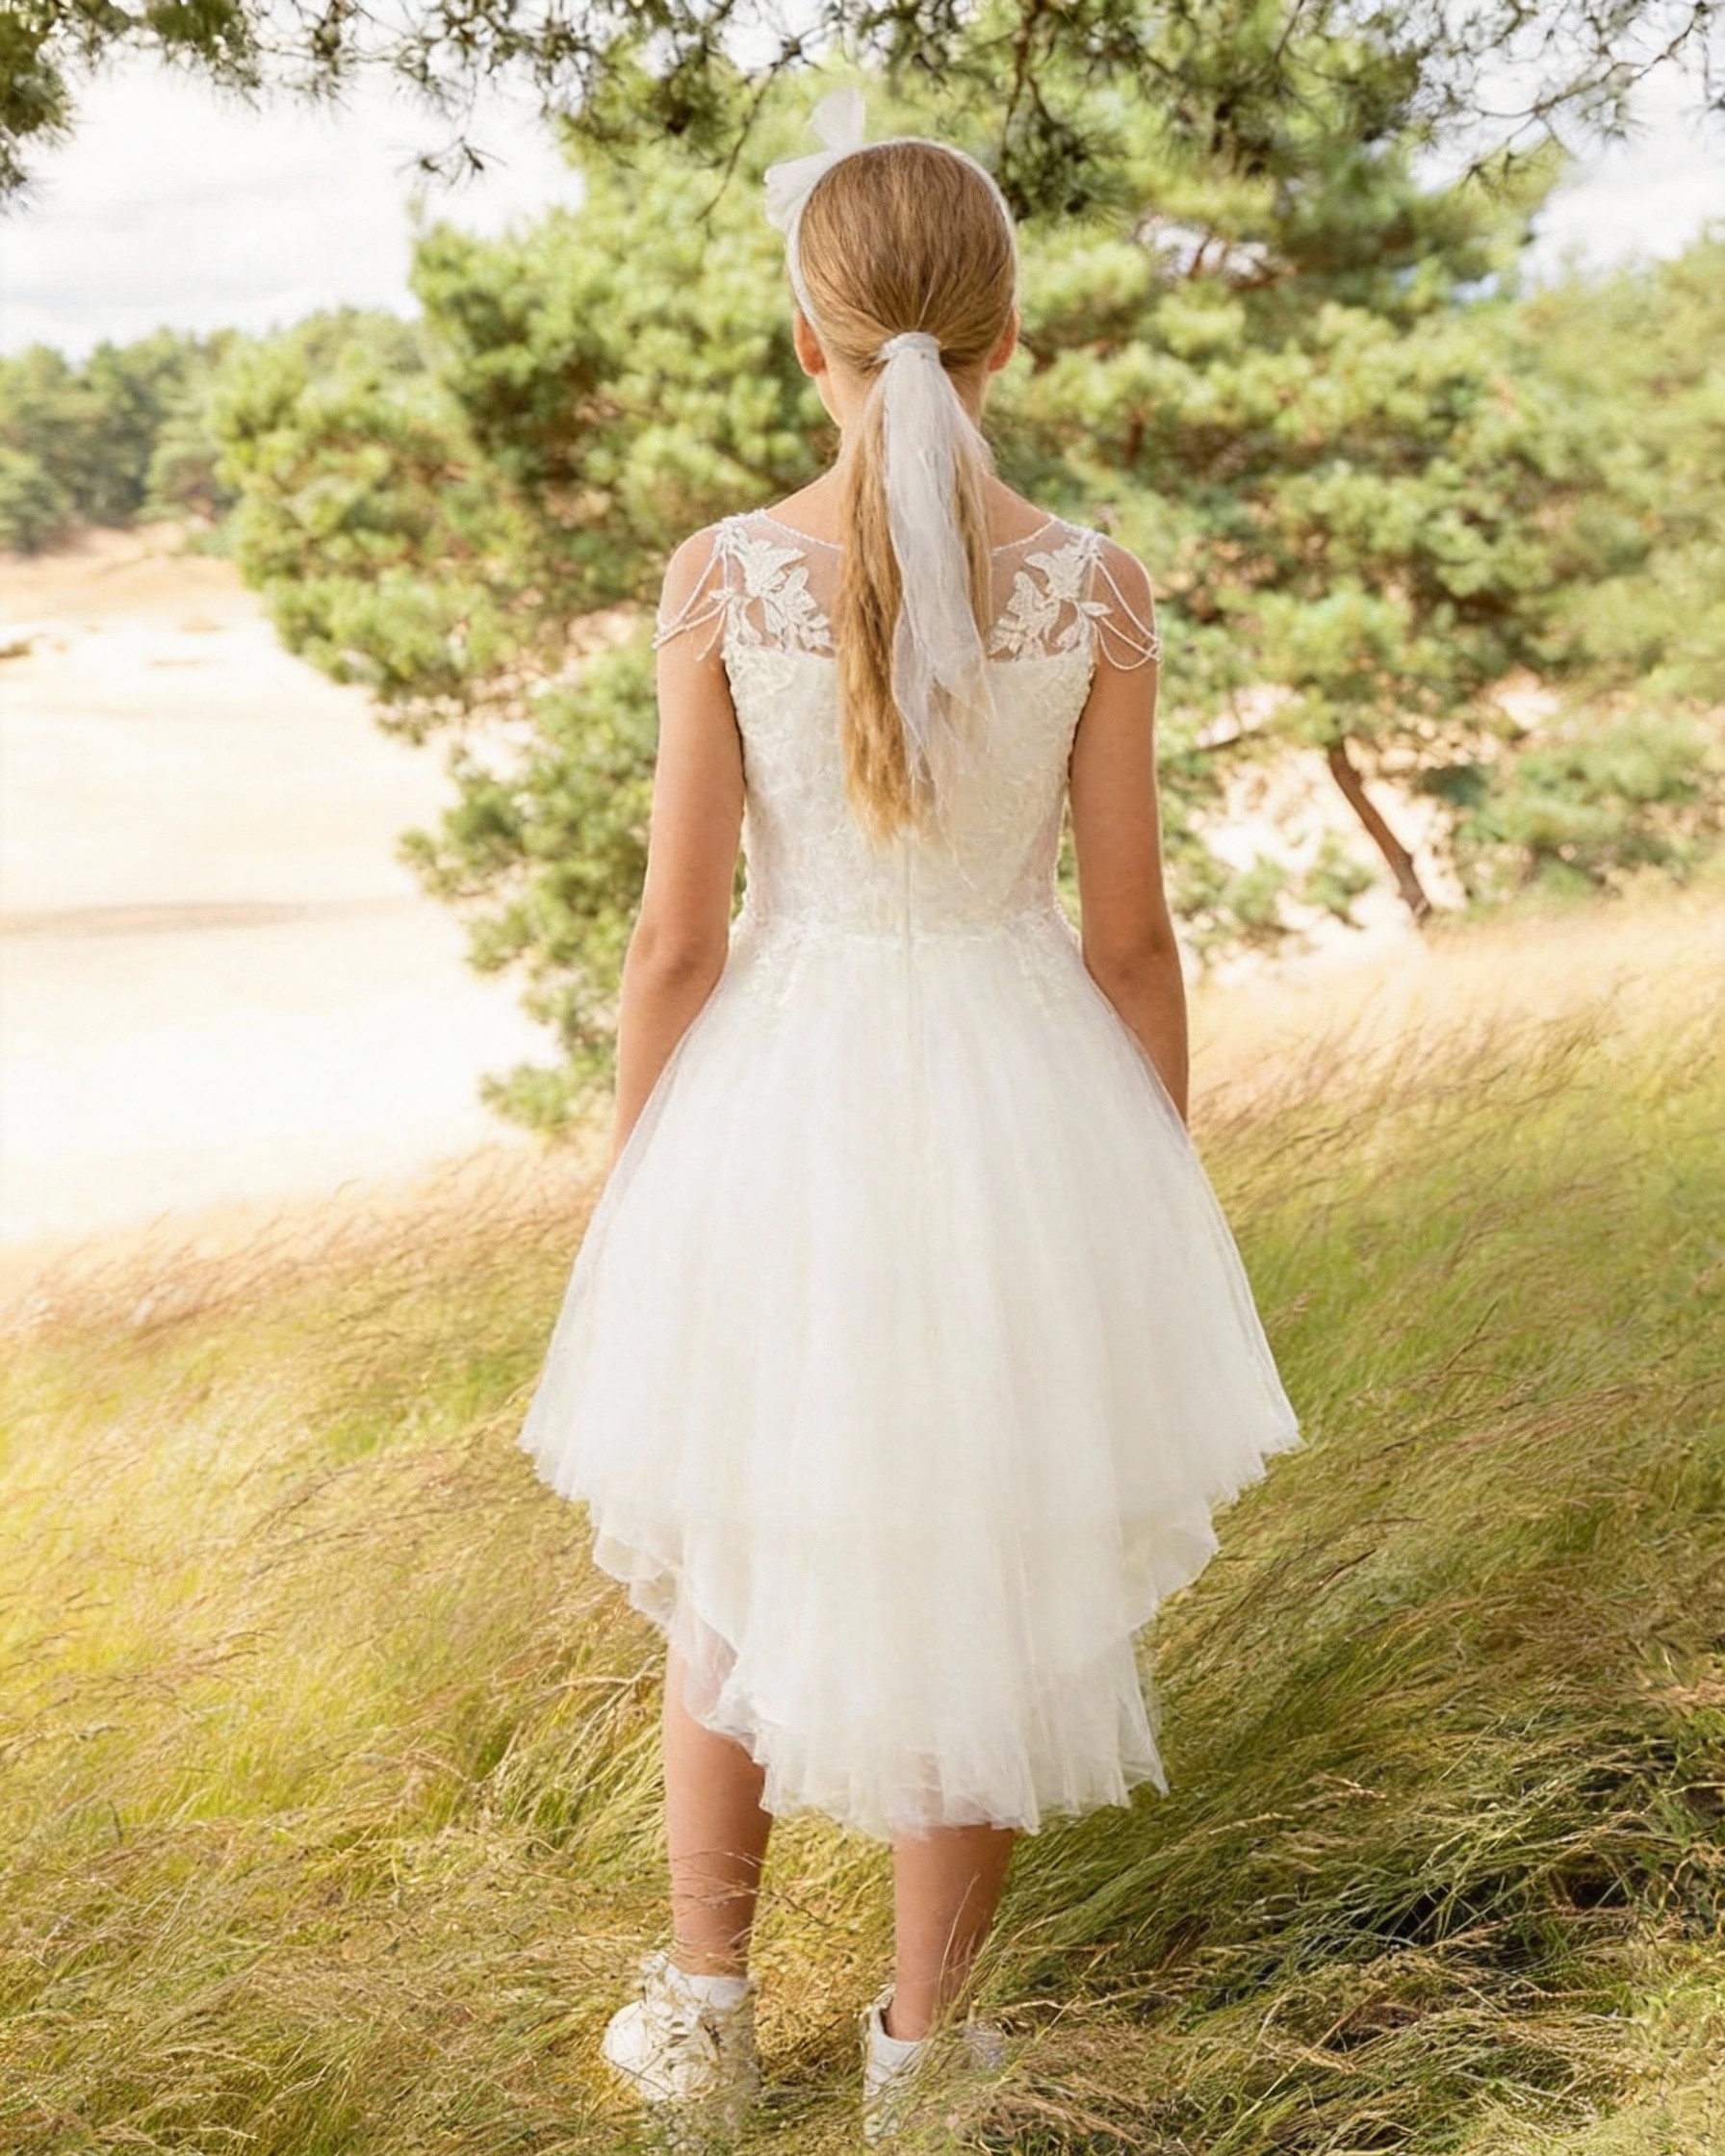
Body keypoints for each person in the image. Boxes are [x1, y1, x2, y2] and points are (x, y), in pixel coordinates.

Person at [517, 88, 1300, 2146]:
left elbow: (674, 936)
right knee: (984, 1558)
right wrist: (1142, 1185)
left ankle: (703, 2017)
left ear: (809, 341)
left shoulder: (717, 579)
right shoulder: (1093, 588)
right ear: (1006, 340)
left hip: (775, 1099)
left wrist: (637, 1185)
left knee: (744, 1548)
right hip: (1013, 1102)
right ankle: (923, 2056)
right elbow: (1130, 938)